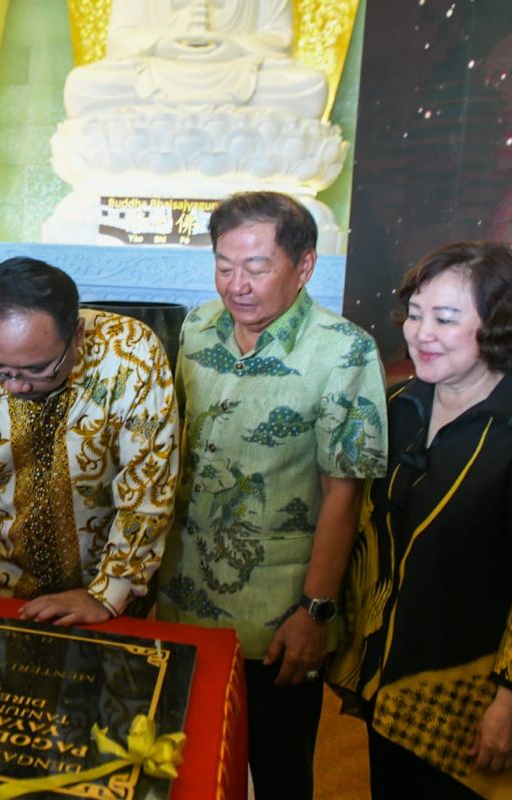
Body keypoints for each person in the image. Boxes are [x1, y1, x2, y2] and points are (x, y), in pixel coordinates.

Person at [154, 191, 387, 799]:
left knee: (279, 773)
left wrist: (313, 612)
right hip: (181, 602)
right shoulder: (198, 329)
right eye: (224, 265)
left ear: (304, 265)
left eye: (257, 266)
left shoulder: (344, 352)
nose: (237, 285)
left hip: (277, 619)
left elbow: (345, 494)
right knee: (185, 767)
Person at [329, 242, 512, 799]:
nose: (421, 333)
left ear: (497, 328)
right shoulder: (402, 408)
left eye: (444, 318)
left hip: (470, 698)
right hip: (388, 686)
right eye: (415, 315)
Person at [0, 257, 179, 628]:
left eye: (37, 370)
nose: (15, 386)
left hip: (106, 600)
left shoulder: (130, 357)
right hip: (1, 592)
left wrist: (106, 594)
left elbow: (149, 487)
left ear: (75, 335)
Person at [63, 0, 328, 119]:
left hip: (237, 68)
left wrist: (234, 46)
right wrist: (161, 44)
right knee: (83, 85)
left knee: (309, 86)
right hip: (158, 69)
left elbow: (278, 38)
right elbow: (121, 38)